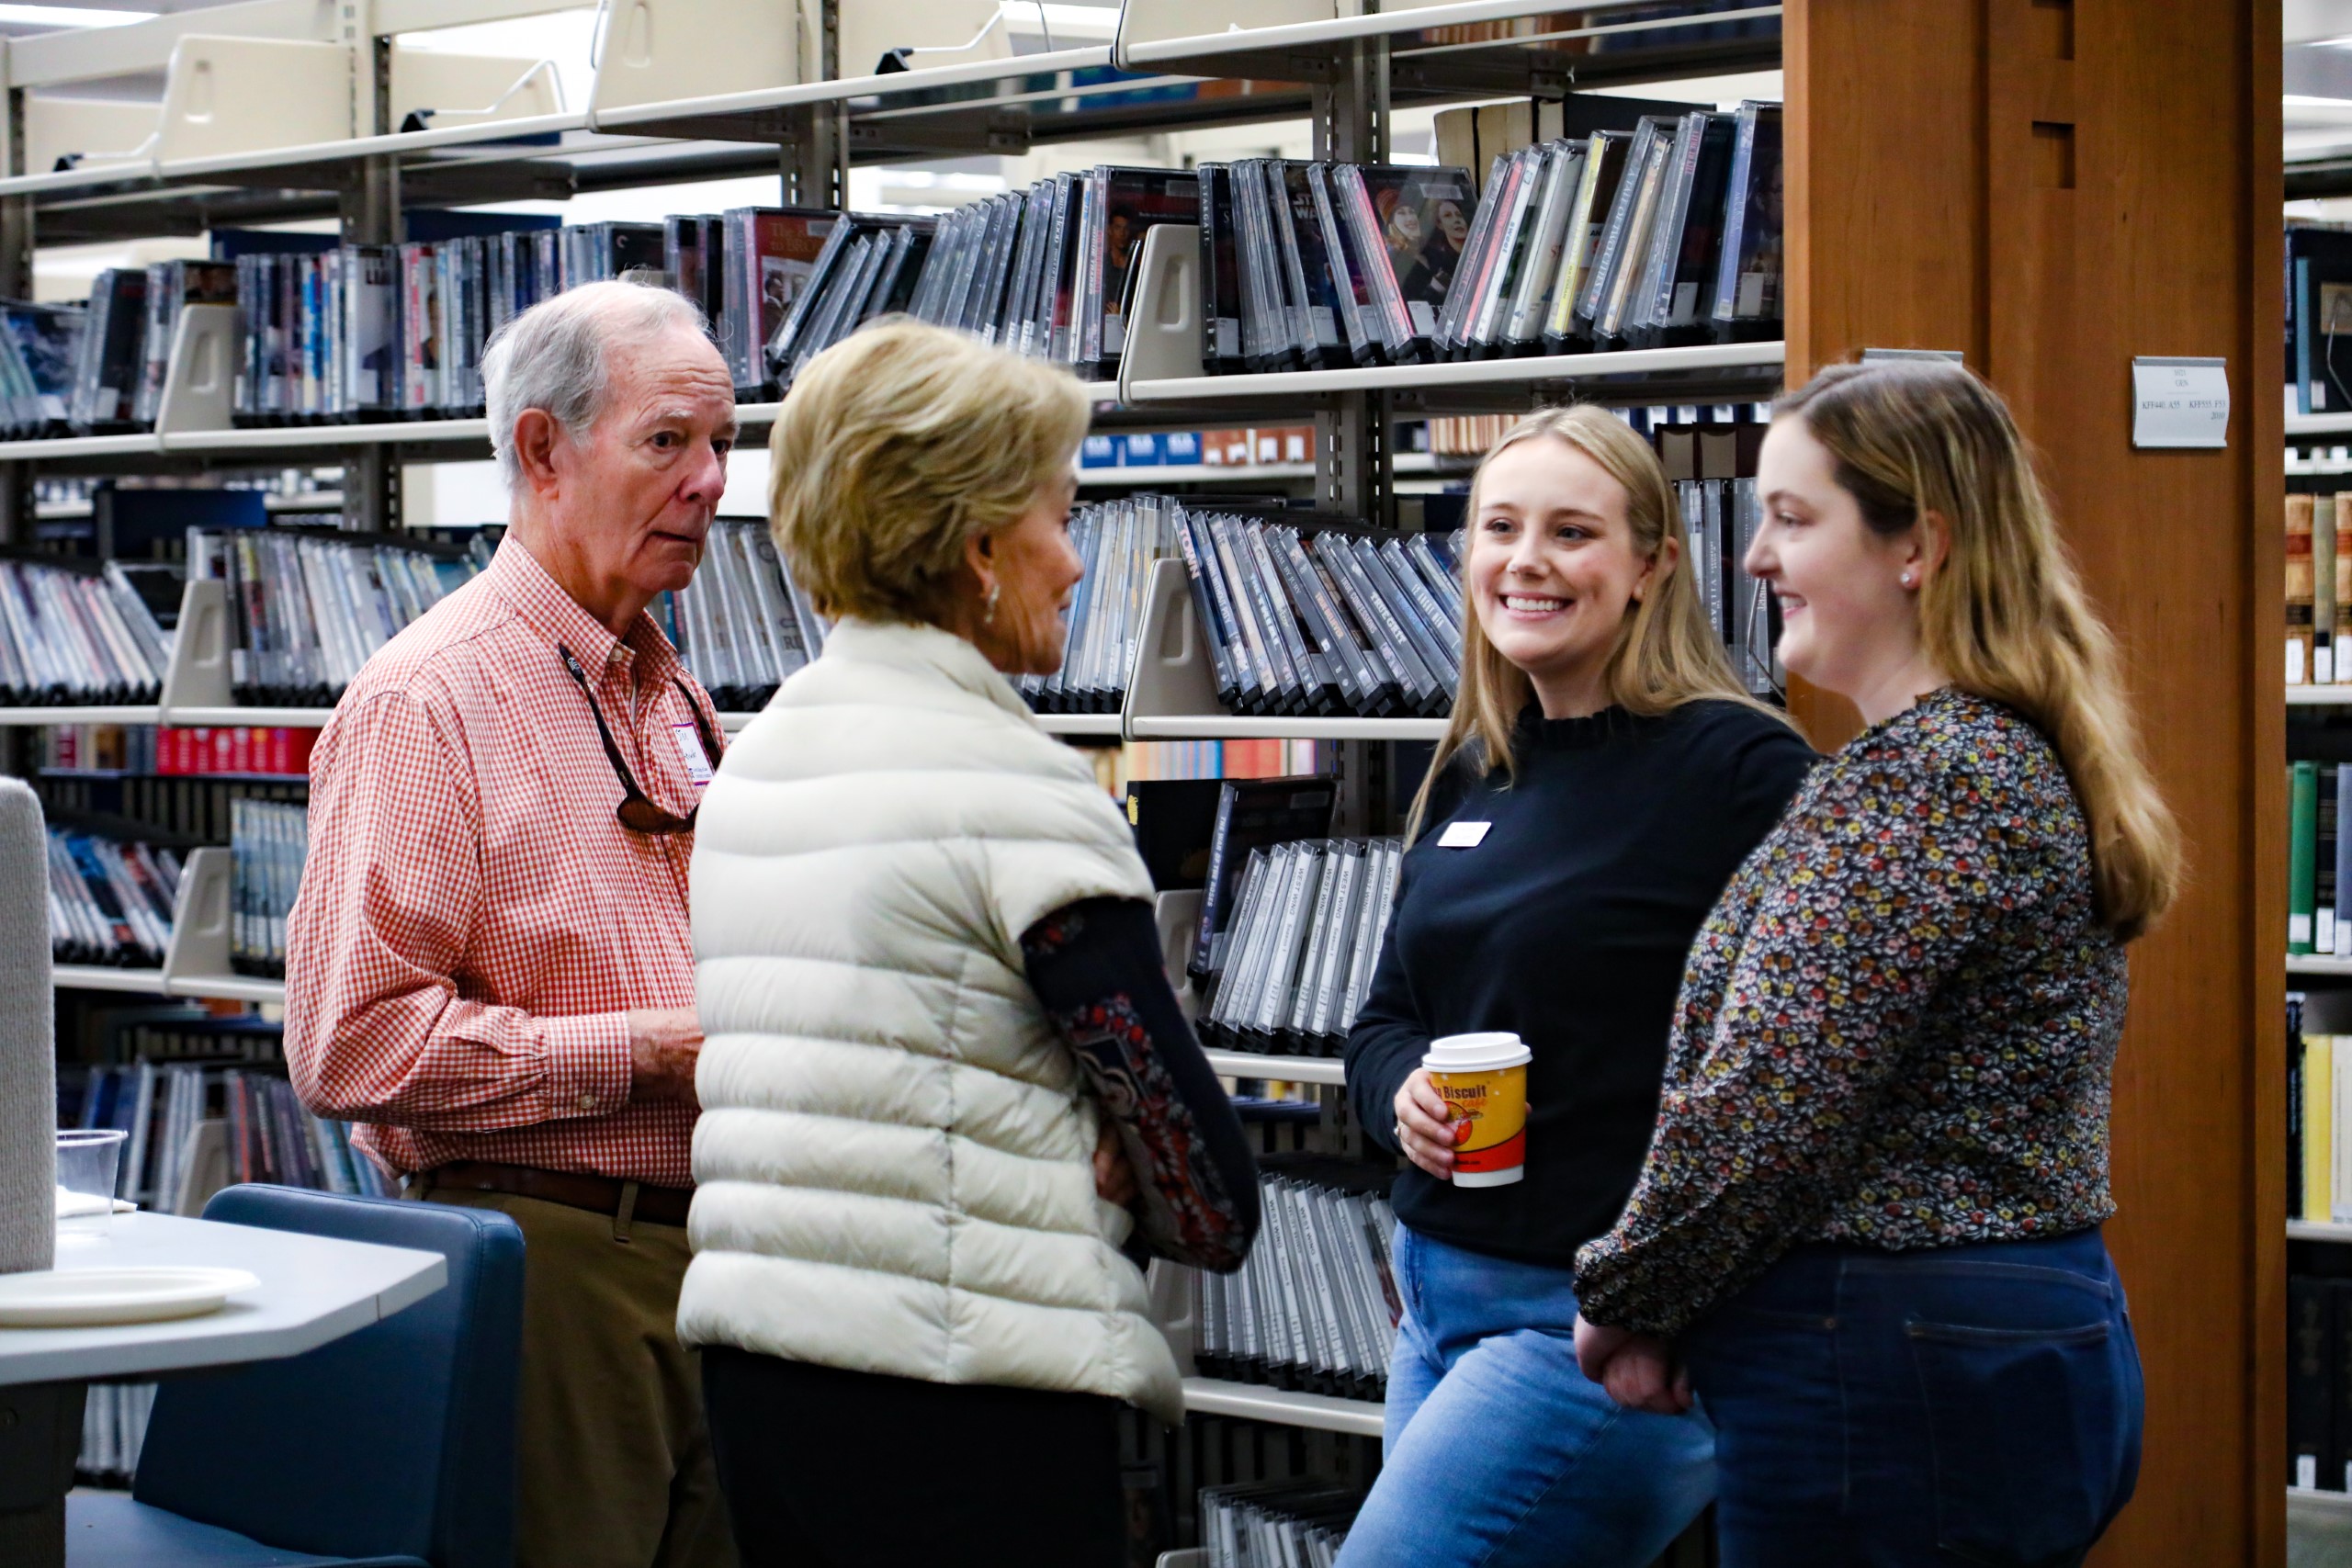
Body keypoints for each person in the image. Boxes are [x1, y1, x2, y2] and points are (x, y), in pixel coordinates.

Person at [1574, 359, 2180, 1567]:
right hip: (1985, 1342)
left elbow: (1769, 1105)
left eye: (1793, 519)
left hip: (1895, 1358)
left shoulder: (1925, 782)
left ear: (1920, 546)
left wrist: (1625, 1293)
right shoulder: (1985, 757)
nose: (1754, 558)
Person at [676, 317, 1261, 1568]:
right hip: (969, 1391)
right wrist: (1089, 1145)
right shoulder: (1015, 793)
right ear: (982, 547)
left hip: (765, 1377)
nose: (1079, 563)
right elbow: (1208, 1200)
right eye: (1062, 515)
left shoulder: (755, 760)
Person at [286, 280, 739, 1568]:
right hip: (552, 1263)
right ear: (543, 448)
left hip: (718, 1255)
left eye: (723, 443)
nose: (709, 481)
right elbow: (349, 1044)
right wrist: (644, 1047)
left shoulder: (670, 689)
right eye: (667, 441)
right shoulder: (429, 701)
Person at [1338, 406, 1818, 1568]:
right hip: (1435, 1302)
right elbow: (1387, 1018)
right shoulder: (1477, 770)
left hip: (1597, 1320)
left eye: (1572, 532)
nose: (1527, 562)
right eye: (1498, 527)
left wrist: (1667, 1287)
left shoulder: (1739, 771)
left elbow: (1800, 1065)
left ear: (1652, 564)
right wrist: (1398, 1090)